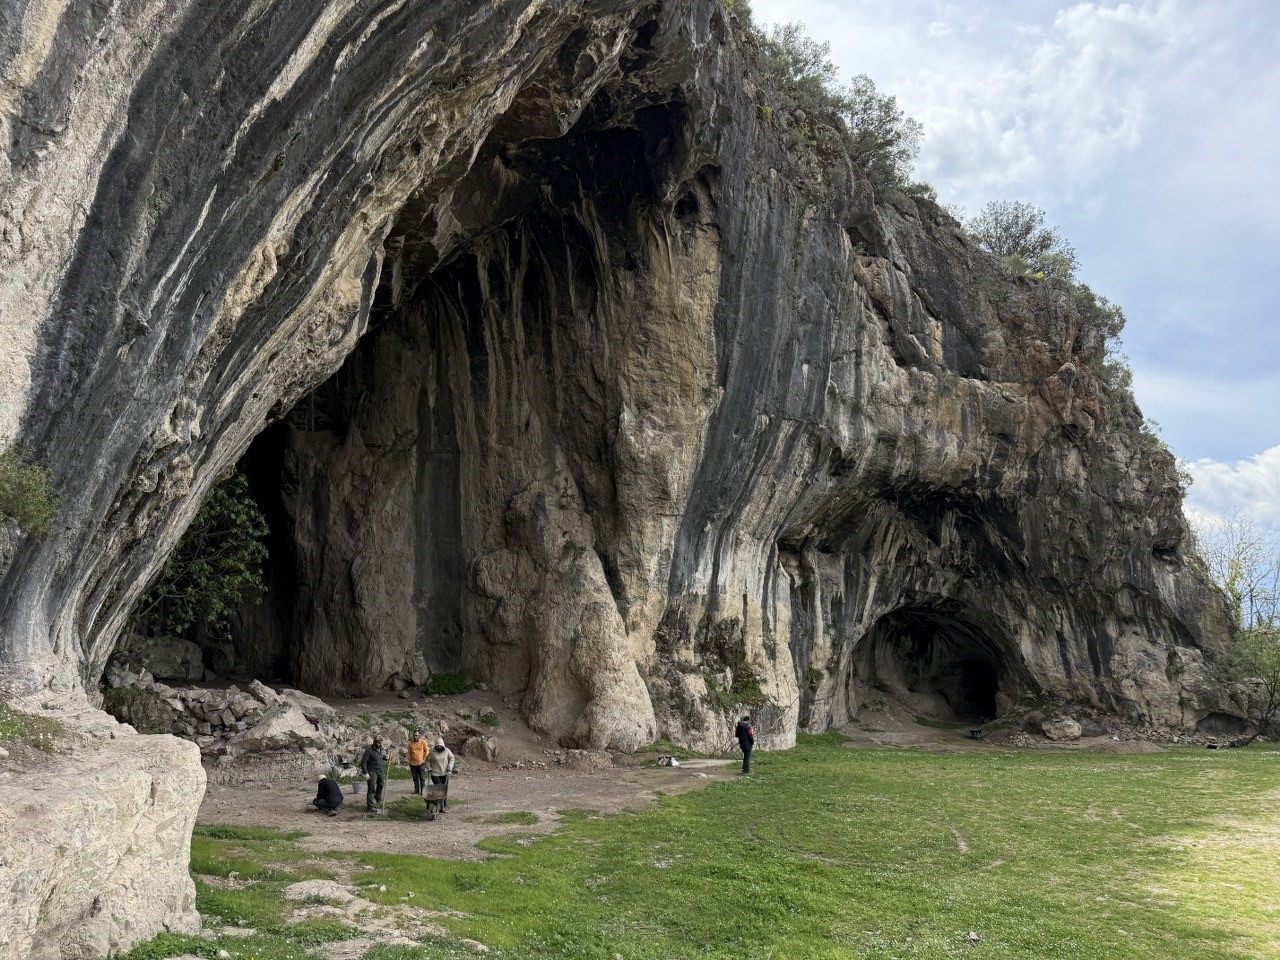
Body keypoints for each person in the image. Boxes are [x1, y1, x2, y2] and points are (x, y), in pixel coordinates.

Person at [360, 734, 389, 812]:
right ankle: (370, 807)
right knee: (372, 787)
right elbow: (363, 762)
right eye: (379, 743)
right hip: (372, 771)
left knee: (381, 784)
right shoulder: (369, 750)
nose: (380, 744)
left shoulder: (381, 749)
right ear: (375, 742)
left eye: (381, 742)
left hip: (380, 770)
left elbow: (381, 756)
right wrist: (365, 772)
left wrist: (385, 758)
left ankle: (377, 799)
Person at [426, 736, 455, 810]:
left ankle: (443, 805)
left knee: (444, 790)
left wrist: (449, 767)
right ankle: (438, 805)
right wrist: (429, 767)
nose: (439, 747)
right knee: (439, 790)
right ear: (436, 745)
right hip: (435, 774)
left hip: (445, 773)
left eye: (440, 746)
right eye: (438, 746)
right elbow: (427, 760)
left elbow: (452, 758)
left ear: (443, 745)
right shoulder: (432, 752)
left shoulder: (447, 751)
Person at [406, 729, 429, 795]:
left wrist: (424, 758)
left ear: (419, 735)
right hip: (413, 763)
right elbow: (409, 753)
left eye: (416, 735)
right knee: (415, 778)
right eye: (414, 735)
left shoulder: (423, 742)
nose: (415, 737)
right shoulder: (410, 744)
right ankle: (416, 790)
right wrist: (409, 761)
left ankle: (423, 791)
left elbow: (426, 751)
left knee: (422, 778)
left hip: (421, 763)